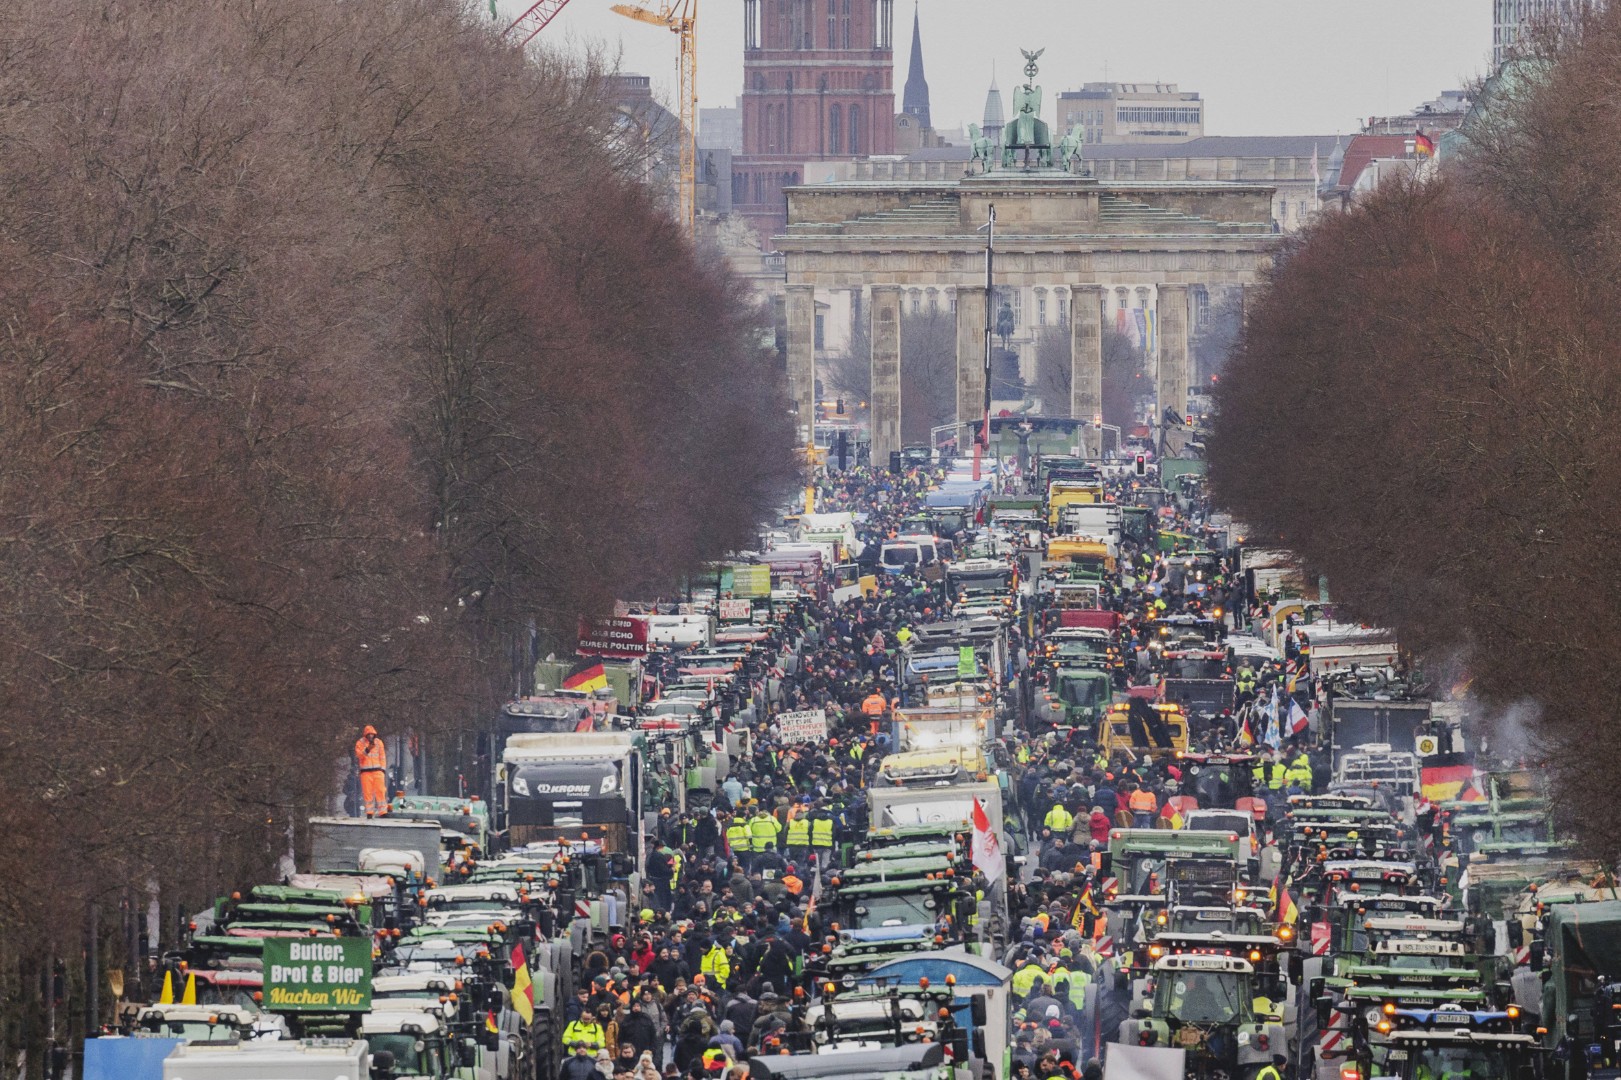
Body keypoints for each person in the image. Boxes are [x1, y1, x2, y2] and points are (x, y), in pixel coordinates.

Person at [354, 725, 388, 815]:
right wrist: (367, 750)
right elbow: (359, 756)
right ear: (365, 735)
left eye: (372, 734)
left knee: (380, 791)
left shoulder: (379, 743)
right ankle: (369, 811)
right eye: (368, 735)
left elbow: (382, 757)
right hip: (365, 772)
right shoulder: (360, 743)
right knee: (367, 792)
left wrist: (382, 770)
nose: (370, 736)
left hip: (378, 771)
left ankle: (383, 811)